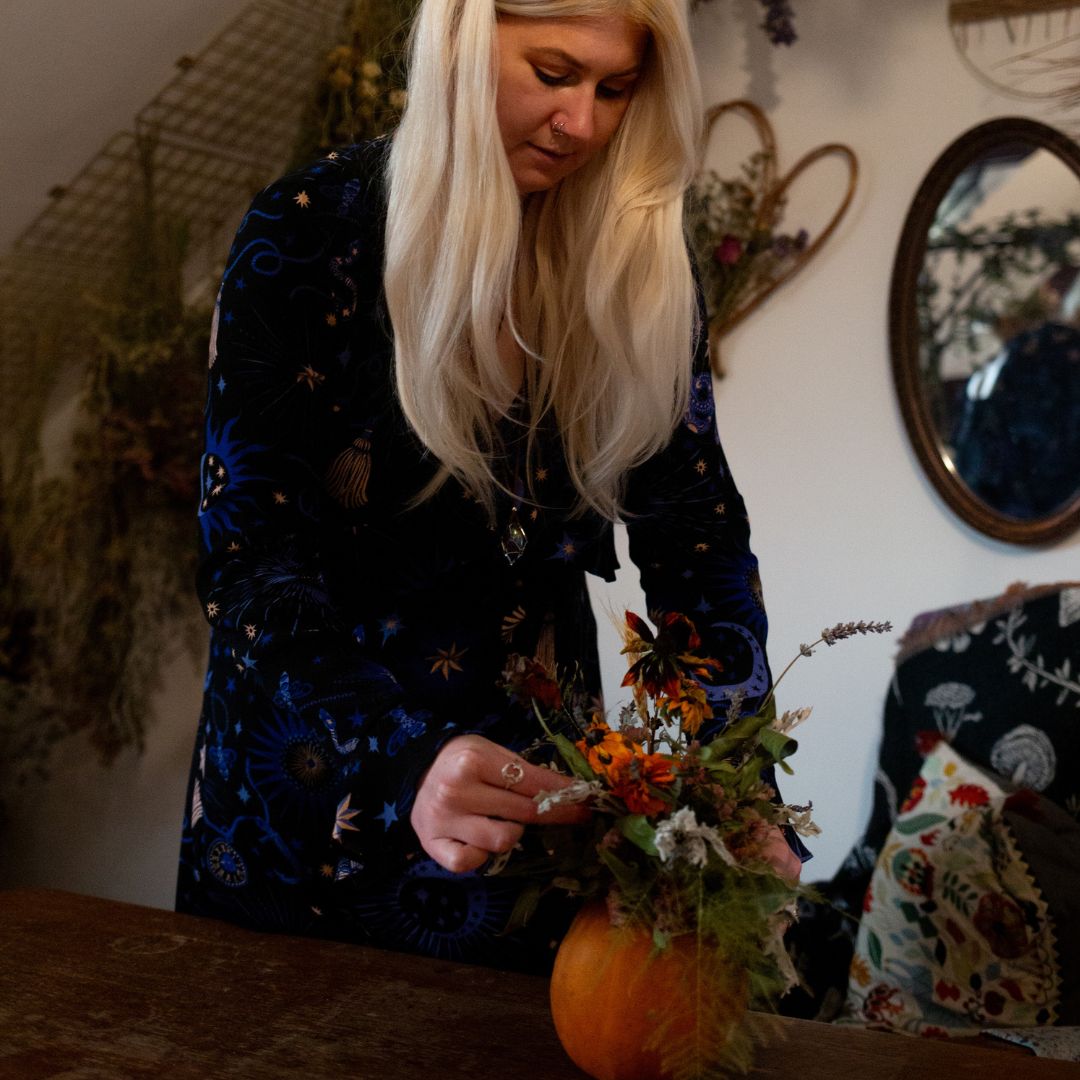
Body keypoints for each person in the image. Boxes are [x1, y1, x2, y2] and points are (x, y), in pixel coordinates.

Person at [176, 0, 799, 973]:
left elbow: (697, 538)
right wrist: (399, 756)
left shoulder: (638, 268)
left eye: (614, 88)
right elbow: (251, 564)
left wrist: (740, 781)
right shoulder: (305, 236)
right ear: (462, 41)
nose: (583, 123)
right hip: (304, 817)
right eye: (552, 73)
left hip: (533, 822)